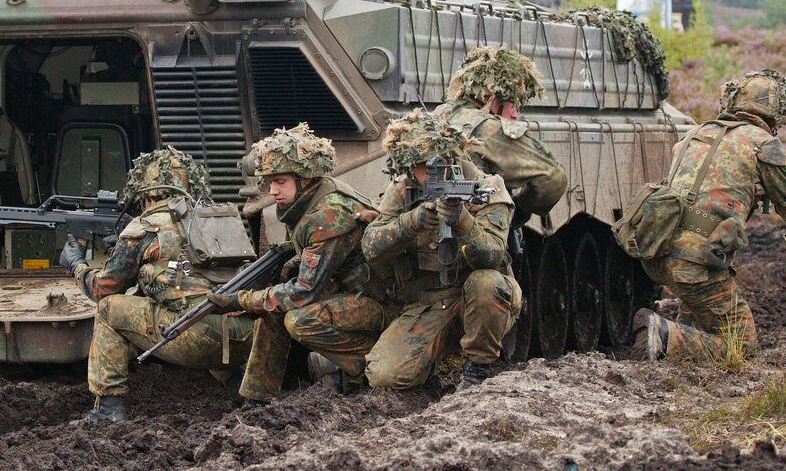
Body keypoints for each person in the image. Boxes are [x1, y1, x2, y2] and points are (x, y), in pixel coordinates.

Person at [58, 147, 255, 423]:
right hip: (245, 338)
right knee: (200, 299)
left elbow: (103, 288)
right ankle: (238, 387)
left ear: (148, 194)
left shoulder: (145, 227)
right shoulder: (216, 217)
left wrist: (76, 266)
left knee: (108, 309)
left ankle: (108, 409)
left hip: (196, 339)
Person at [633, 70, 786, 362]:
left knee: (700, 305)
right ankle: (664, 336)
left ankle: (679, 339)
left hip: (658, 248)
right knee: (741, 344)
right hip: (697, 259)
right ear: (775, 115)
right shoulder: (763, 144)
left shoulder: (695, 134)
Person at [207, 123, 387, 403]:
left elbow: (304, 292)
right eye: (269, 182)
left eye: (280, 182)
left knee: (298, 320)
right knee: (272, 309)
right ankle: (256, 397)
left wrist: (242, 300)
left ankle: (370, 365)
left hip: (378, 301)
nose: (273, 191)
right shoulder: (309, 199)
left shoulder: (327, 214)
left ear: (304, 178)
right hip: (347, 291)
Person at [362, 109, 520, 390]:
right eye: (419, 166)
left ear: (450, 157)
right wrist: (412, 221)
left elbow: (492, 255)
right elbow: (371, 247)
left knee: (486, 282)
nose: (427, 173)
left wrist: (461, 220)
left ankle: (477, 370)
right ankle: (431, 369)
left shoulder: (485, 187)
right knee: (385, 377)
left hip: (478, 295)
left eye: (434, 164)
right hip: (430, 303)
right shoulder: (403, 190)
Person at [434, 46, 567, 221]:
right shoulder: (489, 128)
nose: (515, 113)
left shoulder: (438, 114)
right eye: (513, 102)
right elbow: (553, 178)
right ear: (492, 98)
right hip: (472, 230)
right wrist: (519, 208)